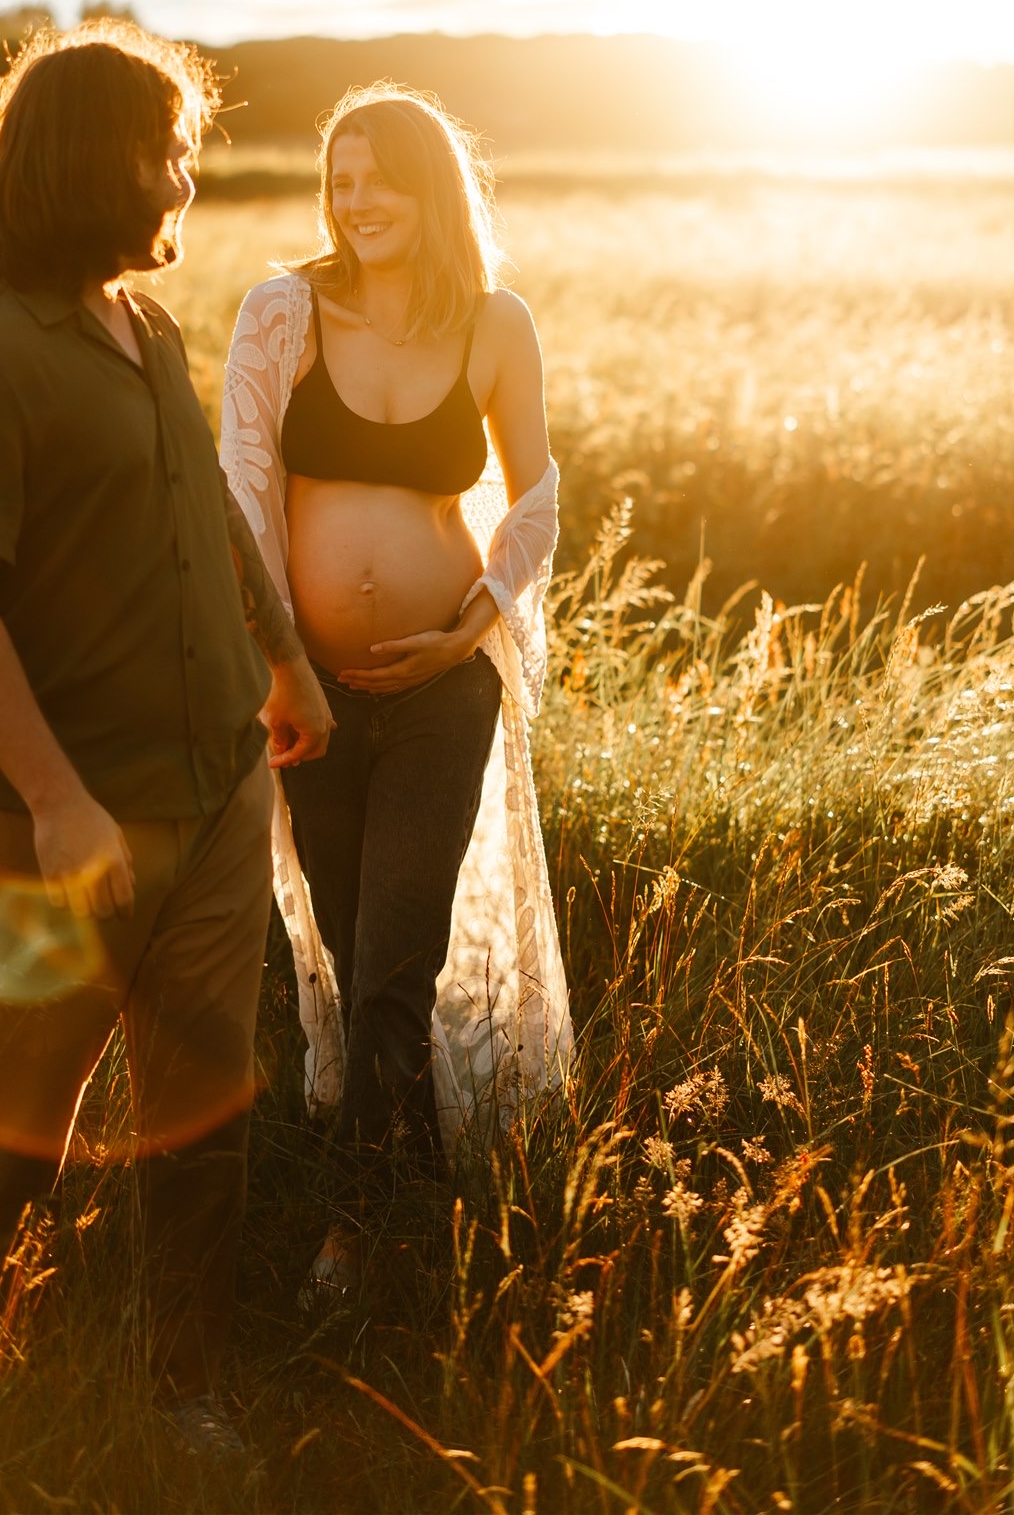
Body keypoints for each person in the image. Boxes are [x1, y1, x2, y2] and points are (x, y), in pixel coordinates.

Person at [0, 22, 331, 1453]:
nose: (186, 181)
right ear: (91, 161)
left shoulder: (145, 330)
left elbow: (202, 502)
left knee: (205, 1108)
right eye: (167, 152)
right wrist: (59, 802)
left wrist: (282, 660)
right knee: (20, 1111)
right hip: (54, 828)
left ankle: (183, 1388)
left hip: (211, 795)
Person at [219, 83, 573, 1295]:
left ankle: (353, 1235)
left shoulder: (493, 323)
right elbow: (241, 498)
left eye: (378, 176)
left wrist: (469, 627)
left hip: (438, 688)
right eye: (339, 178)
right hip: (310, 697)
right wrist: (283, 667)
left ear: (432, 188)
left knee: (394, 962)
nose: (356, 199)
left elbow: (536, 499)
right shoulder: (282, 314)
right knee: (349, 939)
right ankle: (414, 1187)